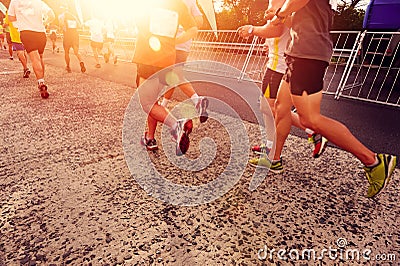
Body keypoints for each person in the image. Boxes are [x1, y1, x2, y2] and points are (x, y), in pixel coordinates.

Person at [253, 0, 397, 198]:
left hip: (307, 56)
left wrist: (279, 14)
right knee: (280, 106)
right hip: (299, 54)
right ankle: (274, 158)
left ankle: (373, 161)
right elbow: (296, 21)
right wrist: (280, 16)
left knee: (309, 119)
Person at [237, 0, 328, 164]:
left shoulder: (281, 1)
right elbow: (282, 28)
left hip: (278, 66)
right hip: (281, 61)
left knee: (273, 108)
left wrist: (251, 29)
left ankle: (311, 131)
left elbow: (276, 29)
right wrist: (268, 44)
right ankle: (271, 146)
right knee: (270, 109)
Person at [132, 0, 198, 155]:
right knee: (154, 102)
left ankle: (177, 126)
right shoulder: (178, 5)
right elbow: (193, 29)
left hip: (147, 58)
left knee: (147, 104)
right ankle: (150, 138)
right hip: (167, 60)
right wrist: (173, 41)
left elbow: (138, 21)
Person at [160, 0, 209, 124]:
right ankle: (164, 105)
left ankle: (197, 100)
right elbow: (199, 21)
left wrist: (179, 26)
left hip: (174, 41)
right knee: (173, 75)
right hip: (184, 42)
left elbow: (199, 22)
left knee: (175, 75)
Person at [8, 0, 55, 99]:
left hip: (26, 32)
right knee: (40, 57)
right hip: (40, 32)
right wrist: (45, 23)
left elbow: (10, 17)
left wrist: (21, 18)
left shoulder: (15, 1)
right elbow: (52, 15)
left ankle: (41, 82)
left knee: (34, 58)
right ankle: (42, 79)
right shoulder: (38, 1)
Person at [59, 8, 86, 73]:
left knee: (66, 52)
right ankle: (81, 61)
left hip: (67, 36)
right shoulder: (74, 17)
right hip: (75, 35)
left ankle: (68, 67)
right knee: (76, 52)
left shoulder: (62, 16)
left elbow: (61, 25)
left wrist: (61, 29)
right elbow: (79, 25)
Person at [4, 12, 30, 78]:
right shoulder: (23, 12)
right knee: (23, 52)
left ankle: (25, 68)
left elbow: (6, 24)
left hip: (16, 37)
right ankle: (25, 67)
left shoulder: (9, 13)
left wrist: (5, 25)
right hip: (25, 35)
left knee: (20, 53)